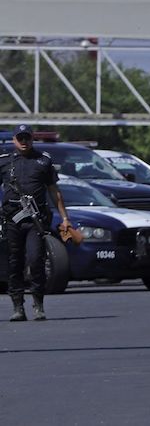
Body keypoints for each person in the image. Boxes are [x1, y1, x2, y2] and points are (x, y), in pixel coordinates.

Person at [1, 124, 72, 321]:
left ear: (32, 138)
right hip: (12, 219)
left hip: (35, 220)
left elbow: (54, 192)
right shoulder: (5, 161)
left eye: (27, 137)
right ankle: (17, 306)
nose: (24, 141)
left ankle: (38, 304)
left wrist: (65, 218)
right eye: (20, 138)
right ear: (14, 140)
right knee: (14, 263)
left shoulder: (43, 160)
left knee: (35, 260)